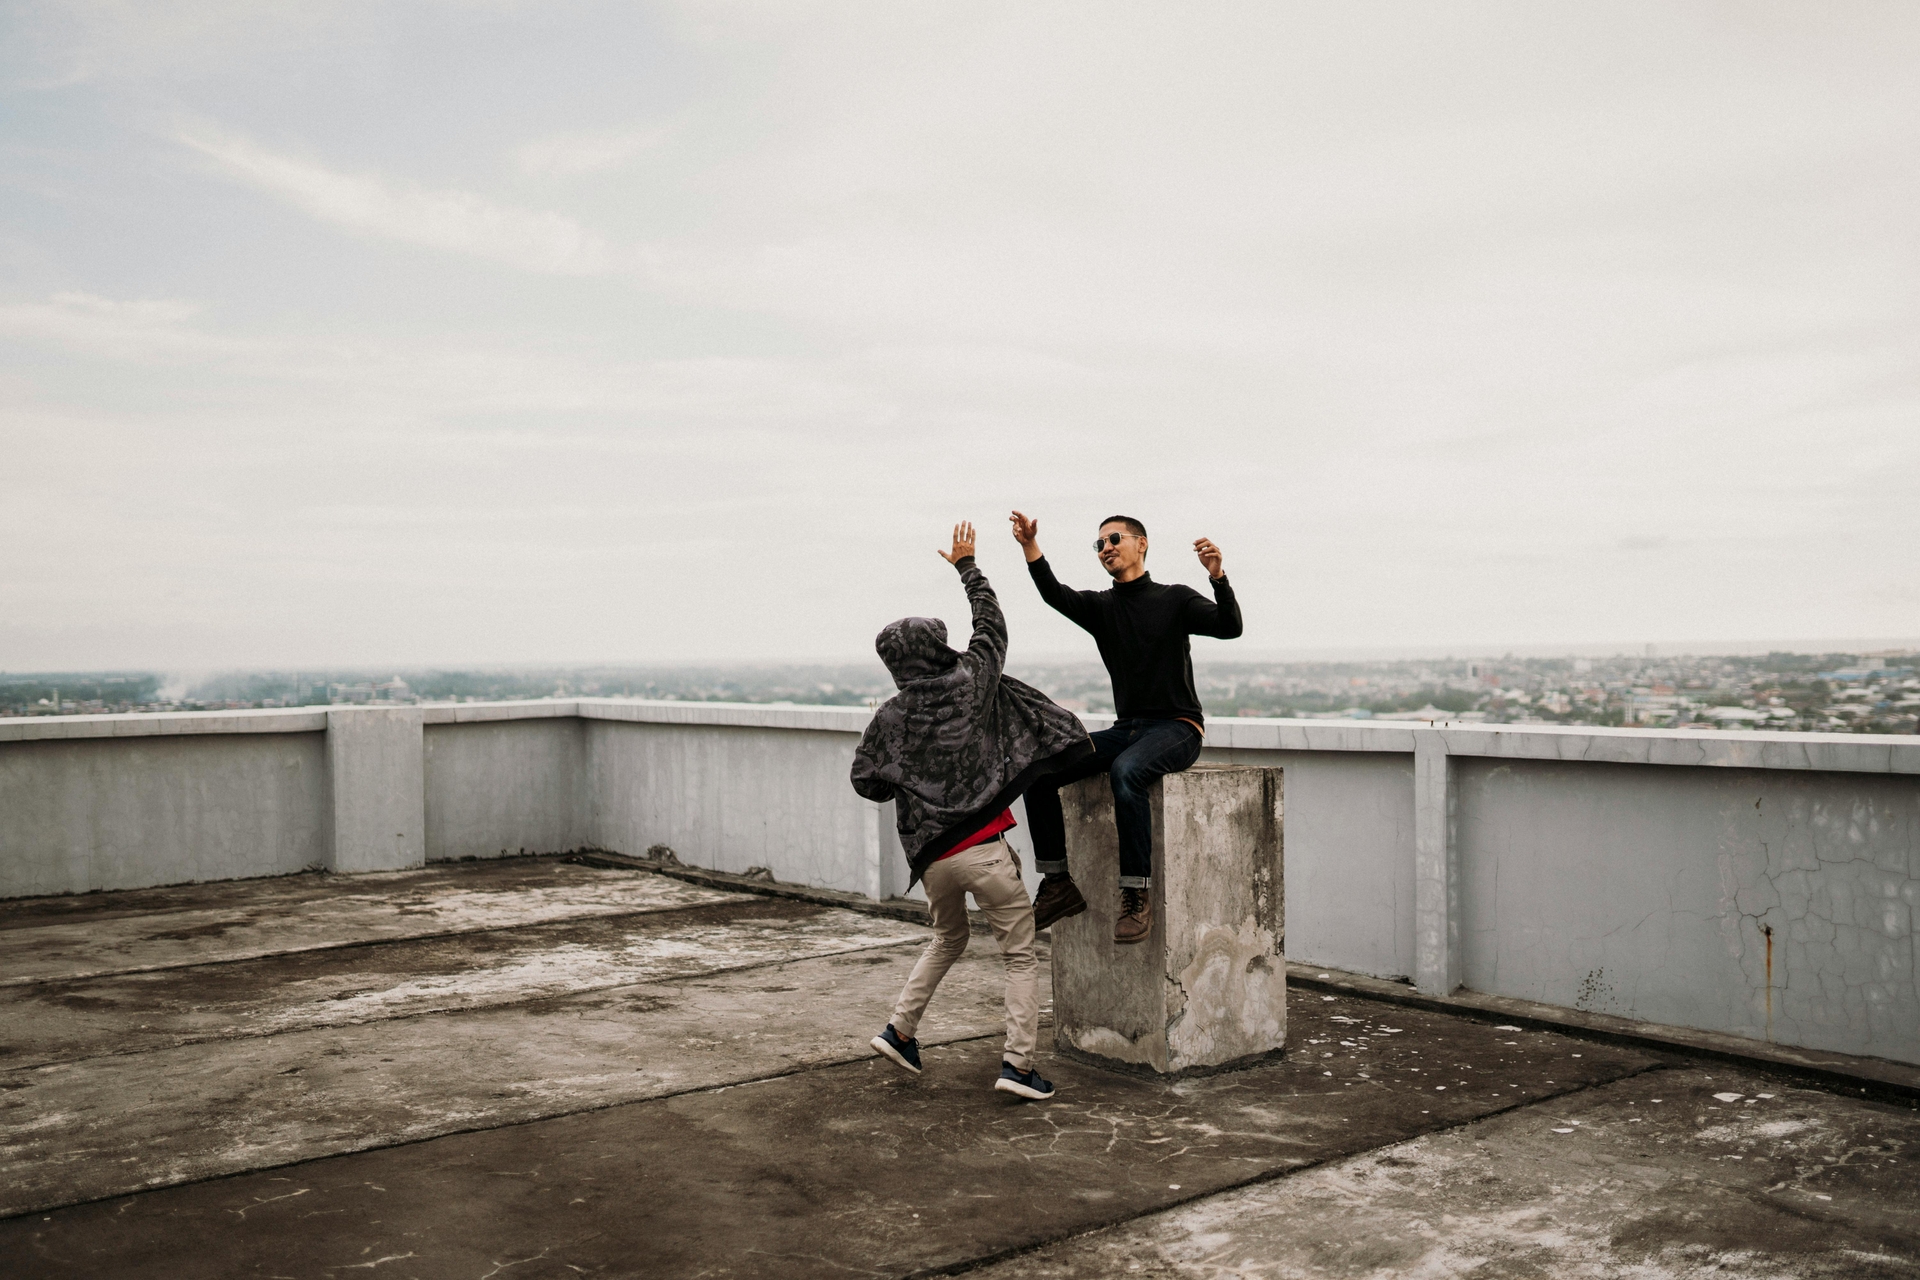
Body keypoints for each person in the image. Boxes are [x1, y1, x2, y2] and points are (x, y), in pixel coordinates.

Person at [851, 521, 1093, 1101]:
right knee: (1017, 953)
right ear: (936, 646)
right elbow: (991, 624)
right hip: (983, 848)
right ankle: (1017, 1065)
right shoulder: (972, 681)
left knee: (947, 940)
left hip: (933, 859)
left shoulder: (889, 716)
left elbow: (865, 780)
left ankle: (899, 1030)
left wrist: (910, 786)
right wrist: (967, 565)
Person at [1008, 510, 1242, 944]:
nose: (1106, 548)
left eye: (1113, 538)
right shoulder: (1102, 608)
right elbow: (1054, 595)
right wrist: (1030, 547)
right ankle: (1057, 884)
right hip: (1127, 729)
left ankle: (1136, 895)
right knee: (1039, 770)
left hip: (1178, 727)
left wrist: (1218, 577)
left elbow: (1230, 628)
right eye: (1099, 544)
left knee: (1127, 772)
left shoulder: (1174, 598)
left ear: (1141, 543)